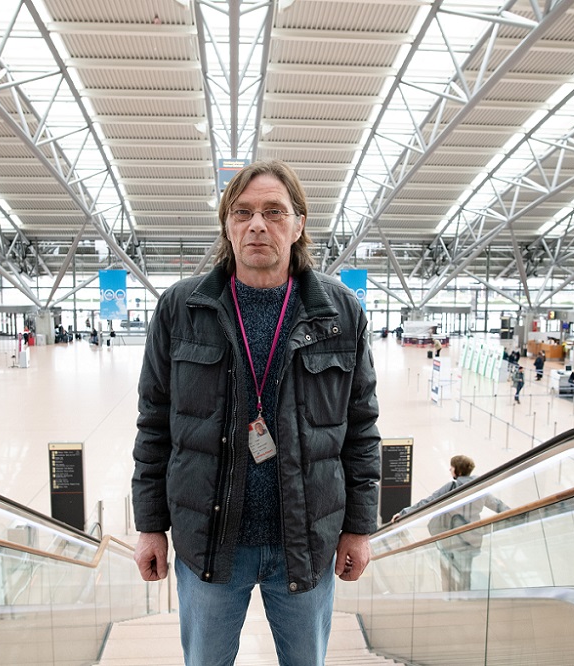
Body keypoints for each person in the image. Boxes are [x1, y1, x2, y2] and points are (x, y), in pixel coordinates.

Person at [131, 159, 381, 666]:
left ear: (299, 223)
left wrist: (358, 527)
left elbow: (361, 428)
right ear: (227, 224)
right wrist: (150, 525)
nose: (257, 225)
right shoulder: (181, 309)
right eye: (242, 212)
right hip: (210, 547)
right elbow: (154, 423)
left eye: (274, 211)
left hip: (304, 544)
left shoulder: (340, 313)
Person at [393, 455, 509, 590]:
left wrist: (404, 514)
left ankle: (448, 595)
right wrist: (521, 514)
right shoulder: (480, 488)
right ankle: (464, 594)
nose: (450, 469)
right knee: (466, 569)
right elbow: (498, 505)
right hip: (473, 537)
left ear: (458, 471)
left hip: (450, 536)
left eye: (452, 467)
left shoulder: (452, 486)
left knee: (446, 566)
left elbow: (428, 502)